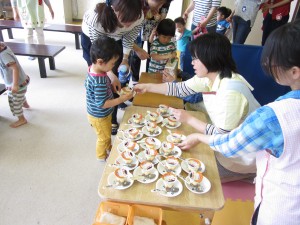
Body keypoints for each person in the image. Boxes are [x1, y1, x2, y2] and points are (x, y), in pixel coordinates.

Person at [188, 20, 300, 225]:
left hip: (282, 207)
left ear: (294, 71)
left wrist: (196, 133)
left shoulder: (275, 115)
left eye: (272, 61)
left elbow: (229, 143)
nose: (268, 66)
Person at [134, 33, 261, 182]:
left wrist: (189, 119)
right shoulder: (211, 76)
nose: (192, 62)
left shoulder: (231, 92)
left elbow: (223, 137)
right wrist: (147, 87)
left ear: (210, 58)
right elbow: (179, 89)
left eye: (196, 58)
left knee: (188, 173)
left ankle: (249, 173)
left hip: (240, 154)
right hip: (223, 138)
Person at [81, 0, 143, 135]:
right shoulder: (95, 19)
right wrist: (110, 74)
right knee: (102, 80)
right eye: (125, 20)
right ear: (114, 9)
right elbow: (99, 54)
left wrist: (125, 59)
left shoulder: (139, 17)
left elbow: (129, 37)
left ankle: (114, 103)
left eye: (132, 20)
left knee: (114, 79)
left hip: (115, 40)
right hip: (96, 44)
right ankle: (106, 116)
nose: (128, 24)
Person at [85, 36, 133, 162]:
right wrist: (121, 99)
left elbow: (98, 92)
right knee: (104, 137)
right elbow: (103, 103)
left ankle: (108, 148)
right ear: (100, 62)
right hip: (99, 116)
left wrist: (110, 87)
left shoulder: (94, 69)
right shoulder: (99, 80)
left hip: (97, 113)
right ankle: (101, 156)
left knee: (105, 135)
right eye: (112, 64)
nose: (113, 67)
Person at [129, 0, 173, 82]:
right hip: (139, 28)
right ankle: (135, 80)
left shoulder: (165, 3)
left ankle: (148, 77)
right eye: (159, 4)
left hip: (154, 28)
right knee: (136, 55)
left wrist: (159, 20)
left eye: (162, 4)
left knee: (151, 54)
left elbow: (164, 11)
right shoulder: (137, 8)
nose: (160, 6)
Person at [0, 42, 30, 128]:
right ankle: (25, 104)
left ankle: (22, 119)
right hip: (21, 80)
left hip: (18, 83)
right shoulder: (4, 48)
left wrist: (15, 85)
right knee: (20, 95)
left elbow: (14, 68)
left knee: (14, 102)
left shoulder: (4, 55)